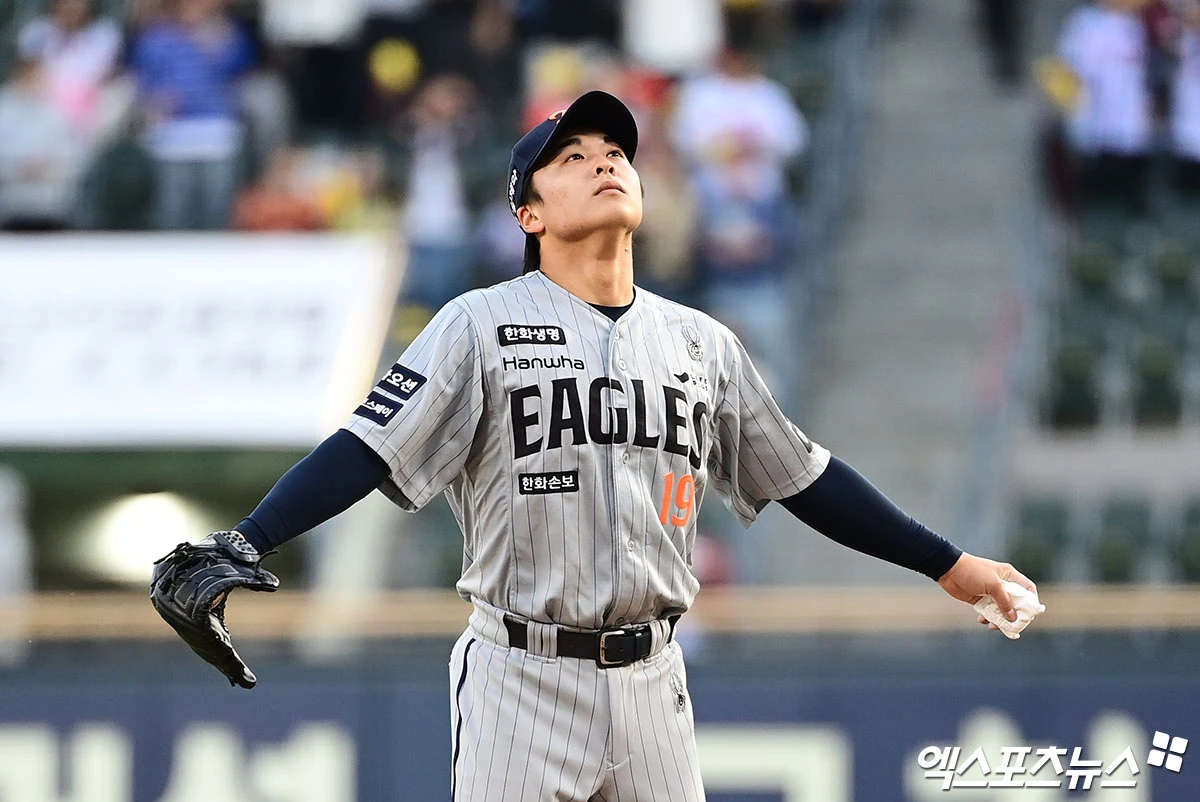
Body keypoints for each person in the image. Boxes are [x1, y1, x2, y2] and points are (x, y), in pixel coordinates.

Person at [150, 91, 1041, 801]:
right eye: (569, 160)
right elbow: (368, 445)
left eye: (614, 152)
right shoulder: (480, 324)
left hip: (655, 675)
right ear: (529, 216)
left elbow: (805, 477)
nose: (603, 162)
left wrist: (948, 563)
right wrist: (246, 540)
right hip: (519, 674)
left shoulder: (702, 343)